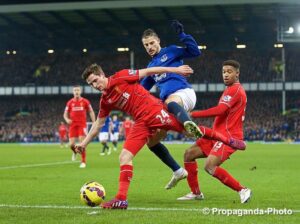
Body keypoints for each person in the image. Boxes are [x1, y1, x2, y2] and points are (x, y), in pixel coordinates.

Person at [74, 63, 246, 209]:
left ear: (102, 75)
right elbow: (97, 124)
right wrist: (84, 143)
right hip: (141, 122)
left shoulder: (121, 76)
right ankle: (121, 199)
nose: (95, 85)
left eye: (95, 80)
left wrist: (176, 70)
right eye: (91, 84)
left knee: (190, 130)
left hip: (155, 111)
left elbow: (149, 71)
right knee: (124, 156)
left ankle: (229, 140)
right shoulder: (105, 100)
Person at [177, 60, 251, 203]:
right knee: (189, 154)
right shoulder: (230, 89)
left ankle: (242, 189)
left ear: (237, 74)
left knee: (210, 166)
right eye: (224, 72)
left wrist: (194, 114)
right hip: (216, 134)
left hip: (228, 136)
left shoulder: (235, 89)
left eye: (229, 71)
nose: (226, 75)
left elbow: (220, 110)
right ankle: (196, 193)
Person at [141, 20, 203, 188]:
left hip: (184, 94)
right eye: (146, 45)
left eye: (152, 43)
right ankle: (177, 171)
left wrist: (183, 35)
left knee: (169, 101)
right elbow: (141, 90)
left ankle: (188, 124)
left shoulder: (171, 51)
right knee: (152, 142)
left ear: (158, 40)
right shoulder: (150, 67)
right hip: (169, 106)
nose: (149, 47)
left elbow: (195, 52)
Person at [63, 85, 96, 168]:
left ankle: (83, 161)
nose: (76, 92)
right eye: (75, 90)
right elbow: (65, 114)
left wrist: (94, 122)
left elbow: (91, 111)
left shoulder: (85, 101)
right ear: (73, 92)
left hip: (82, 125)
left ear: (80, 91)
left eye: (78, 90)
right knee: (71, 144)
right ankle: (74, 152)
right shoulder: (70, 102)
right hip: (73, 125)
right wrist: (67, 119)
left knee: (82, 143)